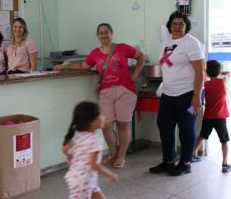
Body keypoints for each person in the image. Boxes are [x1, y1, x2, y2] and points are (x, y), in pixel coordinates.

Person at [54, 23, 145, 168]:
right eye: (101, 33)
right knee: (106, 125)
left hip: (125, 90)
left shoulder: (122, 47)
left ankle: (121, 157)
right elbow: (82, 65)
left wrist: (134, 74)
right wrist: (64, 66)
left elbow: (141, 57)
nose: (104, 35)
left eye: (106, 32)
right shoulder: (95, 53)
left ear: (111, 33)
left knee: (123, 124)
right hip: (106, 92)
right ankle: (113, 153)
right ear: (98, 36)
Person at [149, 11, 206, 176]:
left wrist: (197, 97)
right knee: (164, 126)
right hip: (168, 94)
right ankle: (168, 161)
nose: (178, 26)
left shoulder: (191, 43)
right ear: (169, 25)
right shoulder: (165, 42)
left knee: (186, 128)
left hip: (188, 94)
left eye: (181, 23)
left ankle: (185, 163)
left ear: (186, 26)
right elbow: (166, 65)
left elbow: (201, 72)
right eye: (175, 23)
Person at [63, 101, 118, 199]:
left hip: (79, 177)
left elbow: (65, 148)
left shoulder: (78, 134)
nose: (103, 117)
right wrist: (108, 174)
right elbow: (93, 164)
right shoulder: (95, 140)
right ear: (92, 122)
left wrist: (69, 155)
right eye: (100, 114)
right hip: (84, 181)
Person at [191, 60, 230, 173]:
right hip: (220, 117)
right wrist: (222, 73)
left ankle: (193, 154)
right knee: (224, 141)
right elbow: (228, 74)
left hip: (208, 116)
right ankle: (225, 164)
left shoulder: (205, 85)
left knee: (202, 135)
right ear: (219, 71)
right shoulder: (223, 82)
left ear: (206, 72)